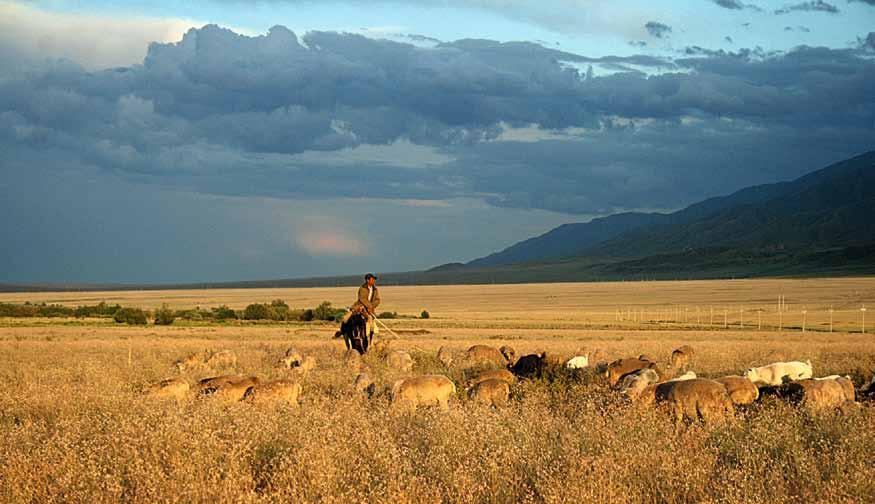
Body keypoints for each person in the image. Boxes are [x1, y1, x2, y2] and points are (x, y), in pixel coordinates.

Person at [341, 273, 381, 338]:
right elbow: (362, 299)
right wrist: (369, 306)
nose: (373, 281)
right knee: (345, 318)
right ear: (367, 280)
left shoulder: (375, 289)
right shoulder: (362, 288)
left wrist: (372, 306)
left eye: (374, 280)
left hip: (370, 308)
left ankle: (370, 335)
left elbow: (377, 300)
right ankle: (344, 331)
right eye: (372, 279)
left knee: (371, 322)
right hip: (360, 305)